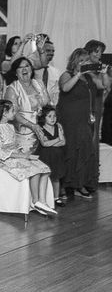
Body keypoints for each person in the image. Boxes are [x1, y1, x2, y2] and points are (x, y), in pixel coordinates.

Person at [0, 100, 55, 215]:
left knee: (44, 168)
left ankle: (42, 202)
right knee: (35, 171)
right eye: (13, 111)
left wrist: (25, 154)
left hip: (17, 156)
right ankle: (35, 201)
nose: (15, 113)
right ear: (4, 112)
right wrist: (22, 155)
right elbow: (1, 153)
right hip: (6, 160)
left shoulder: (10, 127)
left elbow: (15, 145)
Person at [57, 48, 98, 200]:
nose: (85, 63)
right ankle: (62, 187)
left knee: (83, 150)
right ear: (75, 61)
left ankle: (78, 185)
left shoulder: (88, 78)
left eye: (86, 60)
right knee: (68, 151)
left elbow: (101, 86)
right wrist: (79, 74)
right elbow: (65, 87)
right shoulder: (67, 75)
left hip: (83, 120)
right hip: (69, 120)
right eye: (82, 60)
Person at [3, 57, 50, 155]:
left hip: (43, 128)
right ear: (16, 72)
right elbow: (14, 114)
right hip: (24, 133)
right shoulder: (12, 89)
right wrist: (33, 126)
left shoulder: (39, 84)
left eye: (27, 66)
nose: (24, 69)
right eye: (20, 67)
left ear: (31, 69)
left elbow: (47, 103)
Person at [82, 39, 110, 190]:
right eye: (96, 51)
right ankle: (83, 179)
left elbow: (105, 86)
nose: (99, 55)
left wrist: (104, 72)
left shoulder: (99, 69)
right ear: (89, 51)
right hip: (85, 106)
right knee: (86, 141)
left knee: (94, 142)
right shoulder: (84, 67)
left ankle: (92, 178)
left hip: (97, 106)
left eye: (101, 52)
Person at [36, 105, 66, 207]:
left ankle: (56, 198)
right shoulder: (40, 128)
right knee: (46, 176)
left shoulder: (58, 126)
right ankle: (43, 198)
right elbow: (44, 144)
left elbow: (63, 142)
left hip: (57, 156)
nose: (53, 118)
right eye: (49, 116)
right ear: (43, 117)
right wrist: (58, 139)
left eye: (54, 116)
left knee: (56, 177)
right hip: (45, 156)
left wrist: (52, 142)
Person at [34, 41, 60, 106]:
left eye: (53, 51)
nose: (51, 53)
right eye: (48, 50)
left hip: (50, 109)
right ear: (40, 51)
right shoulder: (32, 69)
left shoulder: (56, 72)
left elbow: (57, 92)